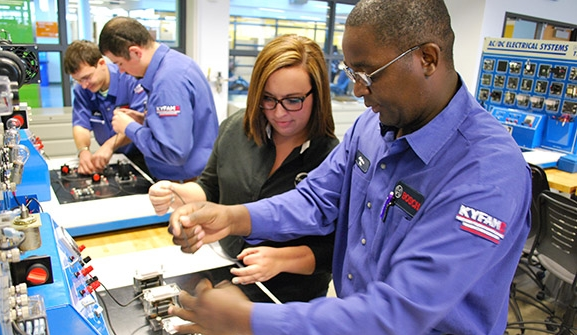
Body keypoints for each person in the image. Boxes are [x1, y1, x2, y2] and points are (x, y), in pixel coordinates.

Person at [165, 0, 532, 334]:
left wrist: (248, 320)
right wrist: (234, 217)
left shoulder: (486, 174)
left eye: (368, 74)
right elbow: (315, 198)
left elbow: (399, 312)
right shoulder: (372, 127)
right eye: (351, 72)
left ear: (428, 59)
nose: (357, 90)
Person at [148, 34, 338, 303]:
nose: (279, 113)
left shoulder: (331, 158)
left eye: (293, 100)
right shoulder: (238, 128)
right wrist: (177, 194)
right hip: (227, 271)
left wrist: (282, 259)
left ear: (317, 96)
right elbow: (210, 187)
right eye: (268, 99)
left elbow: (335, 250)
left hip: (291, 295)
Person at [98, 17, 219, 182]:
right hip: (192, 176)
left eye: (119, 63)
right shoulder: (176, 63)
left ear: (135, 52)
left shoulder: (167, 82)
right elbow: (183, 125)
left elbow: (174, 152)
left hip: (184, 182)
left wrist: (129, 128)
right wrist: (145, 120)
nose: (120, 71)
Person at [64, 40, 148, 175]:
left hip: (140, 155)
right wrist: (83, 151)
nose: (84, 85)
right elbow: (81, 125)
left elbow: (139, 123)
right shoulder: (82, 89)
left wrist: (109, 146)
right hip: (110, 157)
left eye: (87, 77)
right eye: (78, 80)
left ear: (101, 63)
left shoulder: (131, 79)